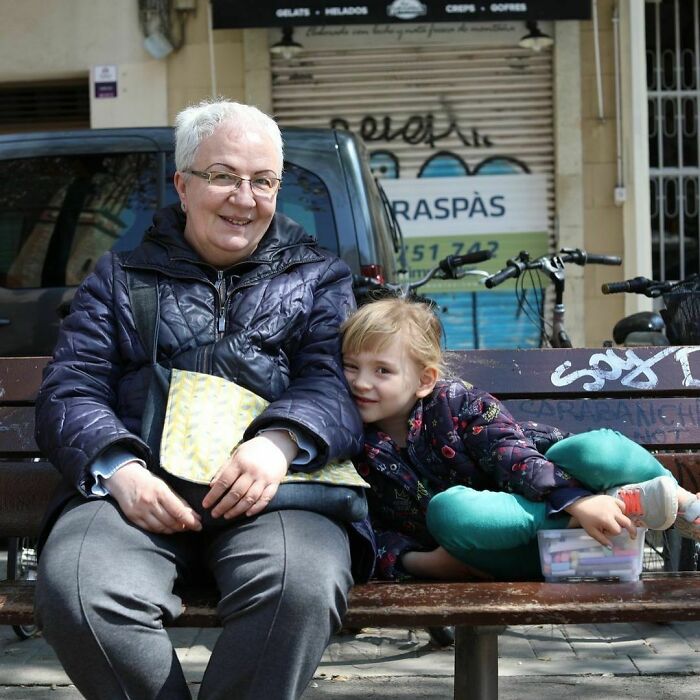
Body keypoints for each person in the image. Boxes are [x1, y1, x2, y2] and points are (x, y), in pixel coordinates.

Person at [34, 98, 374, 700]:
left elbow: (332, 384)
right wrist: (121, 470)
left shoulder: (320, 277)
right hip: (136, 499)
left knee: (300, 586)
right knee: (79, 587)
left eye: (263, 181)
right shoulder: (118, 277)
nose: (245, 199)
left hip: (277, 496)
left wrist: (279, 443)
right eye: (223, 176)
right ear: (183, 185)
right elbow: (71, 389)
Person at [340, 297, 700, 581]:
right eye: (351, 366)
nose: (360, 382)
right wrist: (420, 563)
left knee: (590, 449)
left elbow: (511, 455)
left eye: (382, 370)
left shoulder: (454, 403)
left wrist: (573, 501)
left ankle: (676, 500)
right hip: (499, 551)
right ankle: (612, 506)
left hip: (543, 487)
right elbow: (361, 530)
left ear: (424, 380)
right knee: (448, 511)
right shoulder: (347, 440)